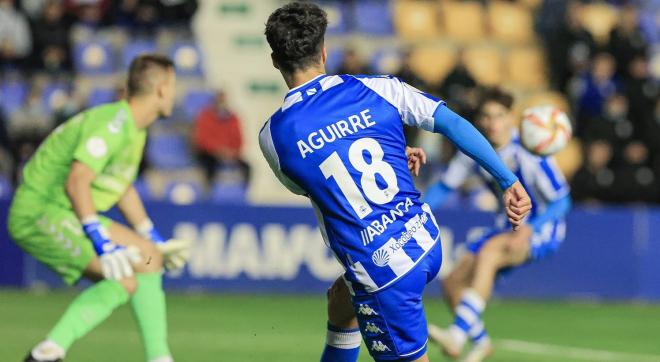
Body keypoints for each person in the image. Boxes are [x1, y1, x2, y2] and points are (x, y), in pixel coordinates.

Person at [260, 3, 531, 362]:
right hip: (425, 239)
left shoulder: (275, 135)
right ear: (324, 50)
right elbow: (452, 123)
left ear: (275, 60)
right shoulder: (378, 88)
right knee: (341, 304)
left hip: (383, 272)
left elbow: (311, 184)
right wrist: (507, 179)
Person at [8, 54, 191, 362]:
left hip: (64, 210)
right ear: (161, 88)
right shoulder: (114, 124)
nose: (175, 93)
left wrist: (153, 237)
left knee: (148, 259)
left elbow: (120, 187)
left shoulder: (134, 128)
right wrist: (99, 240)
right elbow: (78, 180)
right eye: (173, 85)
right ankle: (46, 354)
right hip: (38, 211)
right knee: (123, 278)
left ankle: (159, 357)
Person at [423, 88, 572, 361]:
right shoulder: (474, 151)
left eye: (499, 116)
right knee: (452, 283)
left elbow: (562, 202)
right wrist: (417, 212)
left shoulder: (531, 151)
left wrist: (531, 228)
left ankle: (457, 334)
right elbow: (445, 187)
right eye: (486, 116)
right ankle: (481, 343)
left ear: (511, 119)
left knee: (489, 253)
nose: (492, 122)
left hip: (542, 230)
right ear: (479, 121)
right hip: (507, 228)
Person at [192, 89, 250, 185]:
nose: (222, 103)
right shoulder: (205, 116)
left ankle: (242, 193)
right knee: (210, 165)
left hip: (230, 154)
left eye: (223, 100)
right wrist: (217, 151)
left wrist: (231, 153)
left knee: (247, 167)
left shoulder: (233, 118)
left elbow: (239, 141)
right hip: (209, 154)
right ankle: (210, 193)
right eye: (219, 100)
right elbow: (201, 140)